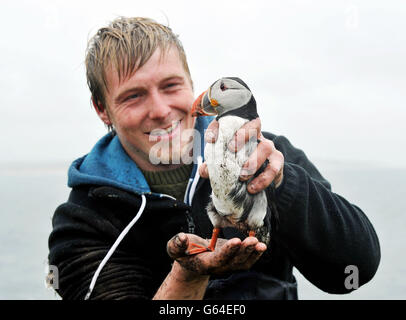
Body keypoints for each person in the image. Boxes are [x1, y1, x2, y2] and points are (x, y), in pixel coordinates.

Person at [48, 16, 380, 300]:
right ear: (102, 108)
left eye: (171, 85)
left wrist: (283, 184)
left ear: (191, 83)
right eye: (134, 96)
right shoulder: (85, 216)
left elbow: (355, 269)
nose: (162, 111)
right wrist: (188, 275)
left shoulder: (269, 154)